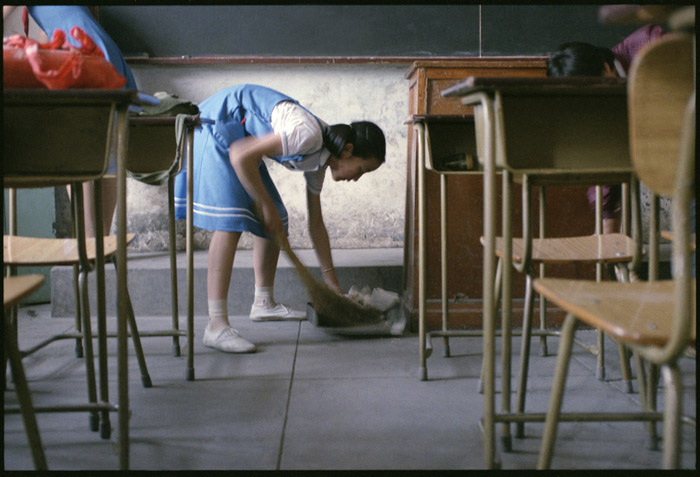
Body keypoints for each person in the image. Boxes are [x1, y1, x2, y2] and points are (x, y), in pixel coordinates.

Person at [173, 84, 386, 354]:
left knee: (278, 217)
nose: (357, 178)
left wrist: (331, 285)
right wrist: (264, 205)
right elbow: (240, 155)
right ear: (348, 150)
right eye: (362, 169)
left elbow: (316, 224)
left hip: (240, 140)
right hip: (218, 124)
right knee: (232, 221)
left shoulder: (320, 161)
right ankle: (215, 325)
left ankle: (263, 303)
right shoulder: (307, 135)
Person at [3, 5, 137, 238]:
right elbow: (57, 29)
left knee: (77, 152)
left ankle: (92, 244)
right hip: (97, 49)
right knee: (106, 153)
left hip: (79, 53)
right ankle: (99, 245)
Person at [546, 24, 666, 234]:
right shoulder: (598, 100)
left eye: (593, 94)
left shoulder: (653, 46)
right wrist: (607, 222)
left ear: (606, 66)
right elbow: (607, 153)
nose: (593, 105)